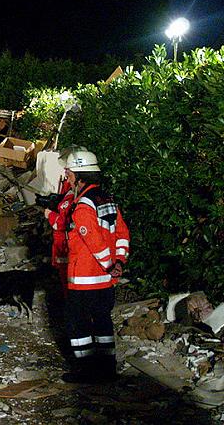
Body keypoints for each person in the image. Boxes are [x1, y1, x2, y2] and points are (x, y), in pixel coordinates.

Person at [60, 149, 130, 383]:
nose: (67, 179)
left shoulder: (83, 207)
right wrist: (118, 262)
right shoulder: (108, 200)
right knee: (102, 322)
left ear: (80, 177)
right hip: (105, 281)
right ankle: (107, 369)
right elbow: (121, 233)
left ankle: (85, 371)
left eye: (69, 175)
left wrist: (109, 264)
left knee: (78, 326)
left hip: (84, 280)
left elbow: (93, 240)